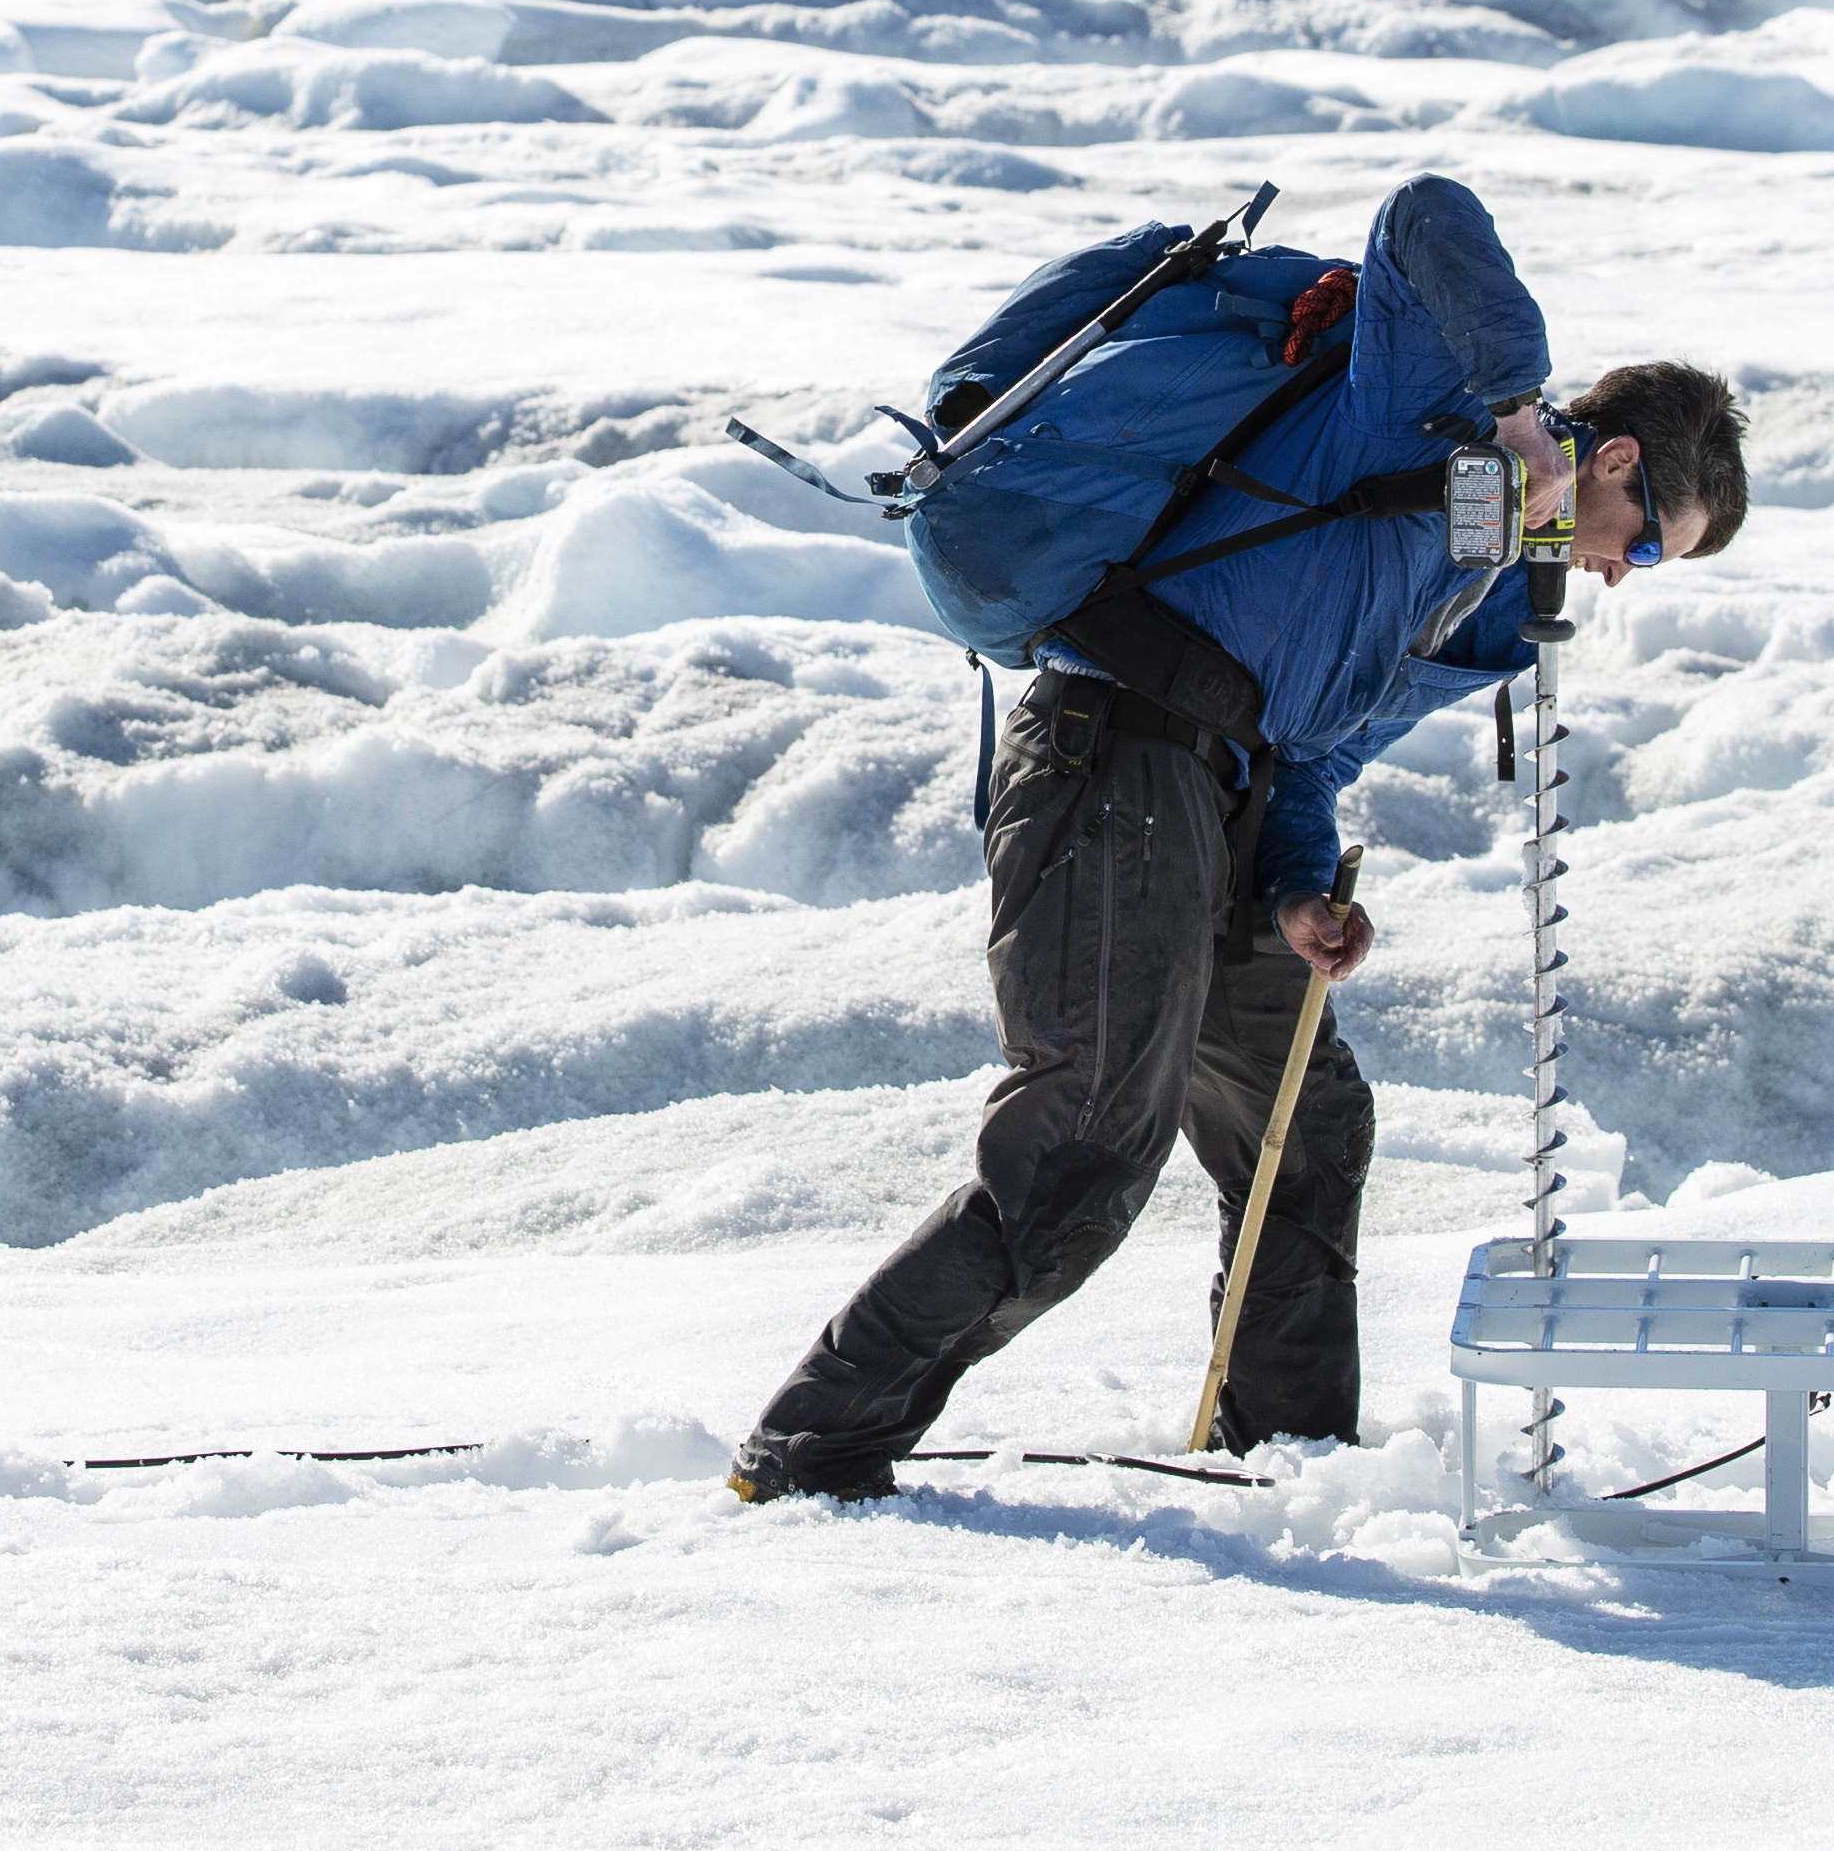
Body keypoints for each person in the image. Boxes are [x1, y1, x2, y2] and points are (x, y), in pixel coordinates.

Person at [730, 171, 1746, 1499]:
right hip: (1113, 752)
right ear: (1609, 460)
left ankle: (1292, 1466)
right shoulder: (1423, 402)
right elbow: (1425, 215)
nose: (1621, 576)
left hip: (1227, 799)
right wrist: (1511, 407)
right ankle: (811, 1450)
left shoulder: (1494, 591)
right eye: (1648, 547)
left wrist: (1302, 892)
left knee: (1306, 1129)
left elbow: (1319, 747)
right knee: (1087, 1147)